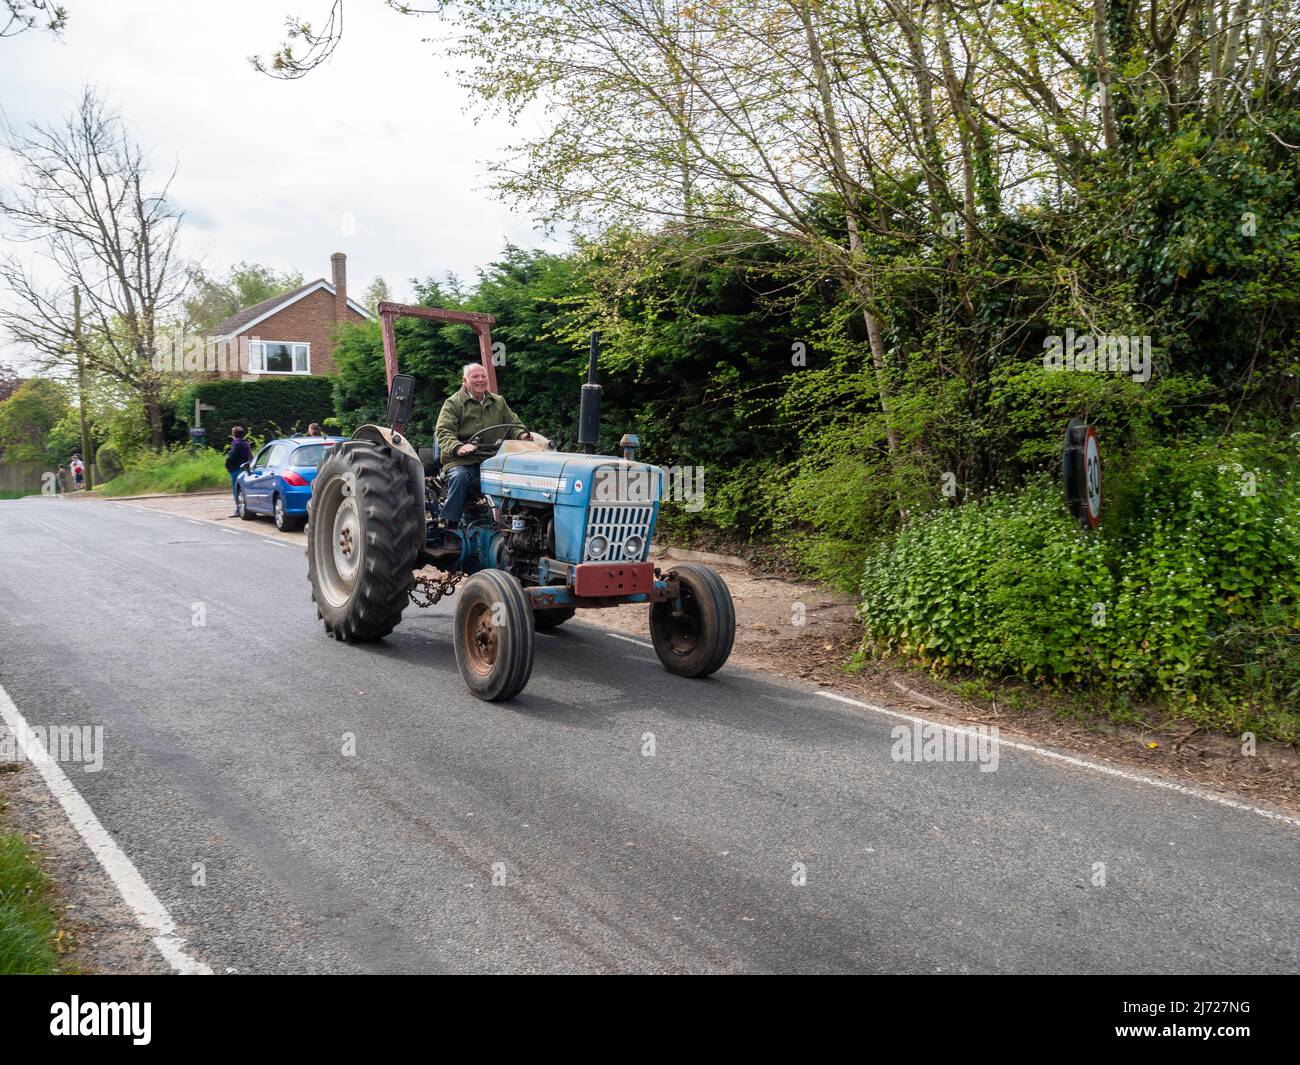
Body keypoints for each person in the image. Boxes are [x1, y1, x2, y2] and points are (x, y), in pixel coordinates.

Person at [434, 362, 530, 527]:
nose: (480, 380)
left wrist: (522, 434)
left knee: (517, 477)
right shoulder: (453, 403)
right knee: (460, 477)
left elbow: (513, 424)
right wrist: (458, 447)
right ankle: (450, 523)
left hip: (492, 460)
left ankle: (514, 524)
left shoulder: (498, 402)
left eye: (483, 376)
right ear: (465, 380)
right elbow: (443, 432)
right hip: (461, 461)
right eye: (475, 376)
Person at [225, 426, 253, 517]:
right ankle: (244, 508)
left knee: (236, 490)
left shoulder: (236, 443)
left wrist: (227, 463)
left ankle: (239, 509)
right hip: (244, 469)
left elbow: (232, 457)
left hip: (236, 469)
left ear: (234, 434)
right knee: (242, 490)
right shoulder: (246, 443)